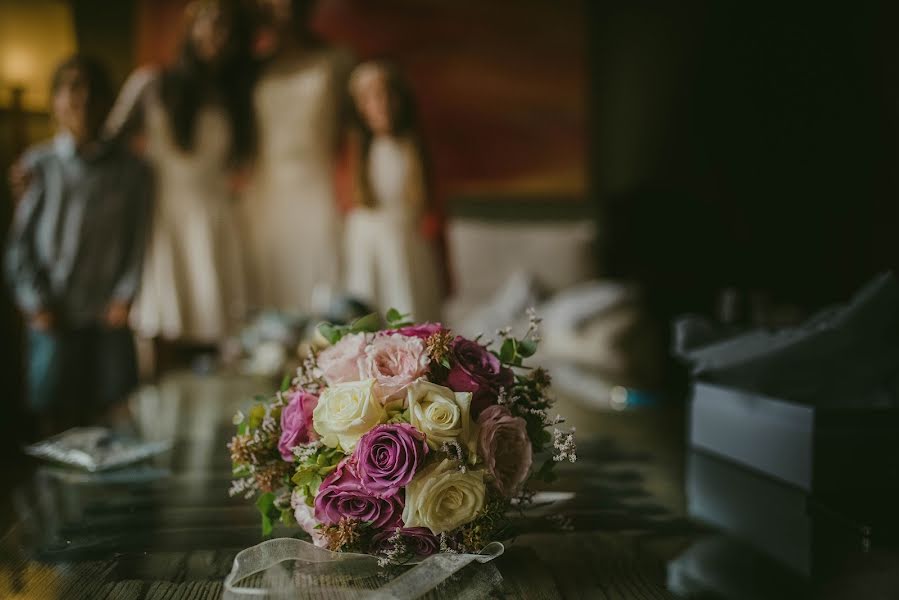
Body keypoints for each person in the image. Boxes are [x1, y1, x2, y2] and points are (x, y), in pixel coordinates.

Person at [104, 0, 257, 372]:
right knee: (162, 336)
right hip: (164, 219)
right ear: (191, 27)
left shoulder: (235, 97)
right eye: (211, 23)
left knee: (219, 338)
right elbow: (104, 148)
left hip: (216, 218)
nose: (218, 37)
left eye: (228, 30)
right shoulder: (151, 83)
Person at [5, 55, 152, 435]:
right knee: (52, 412)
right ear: (54, 101)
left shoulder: (132, 171)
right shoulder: (38, 165)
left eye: (91, 89)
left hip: (108, 314)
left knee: (117, 413)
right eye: (69, 88)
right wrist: (34, 302)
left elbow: (138, 239)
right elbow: (20, 246)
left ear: (107, 102)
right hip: (54, 312)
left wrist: (124, 295)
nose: (81, 99)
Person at [240, 0, 353, 314]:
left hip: (317, 183)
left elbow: (356, 130)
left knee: (321, 280)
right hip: (264, 189)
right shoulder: (252, 67)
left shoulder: (337, 60)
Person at [343, 61, 444, 322]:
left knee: (408, 307)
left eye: (388, 95)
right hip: (368, 246)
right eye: (371, 98)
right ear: (360, 107)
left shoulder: (413, 149)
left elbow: (433, 211)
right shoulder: (356, 154)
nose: (382, 104)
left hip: (407, 244)